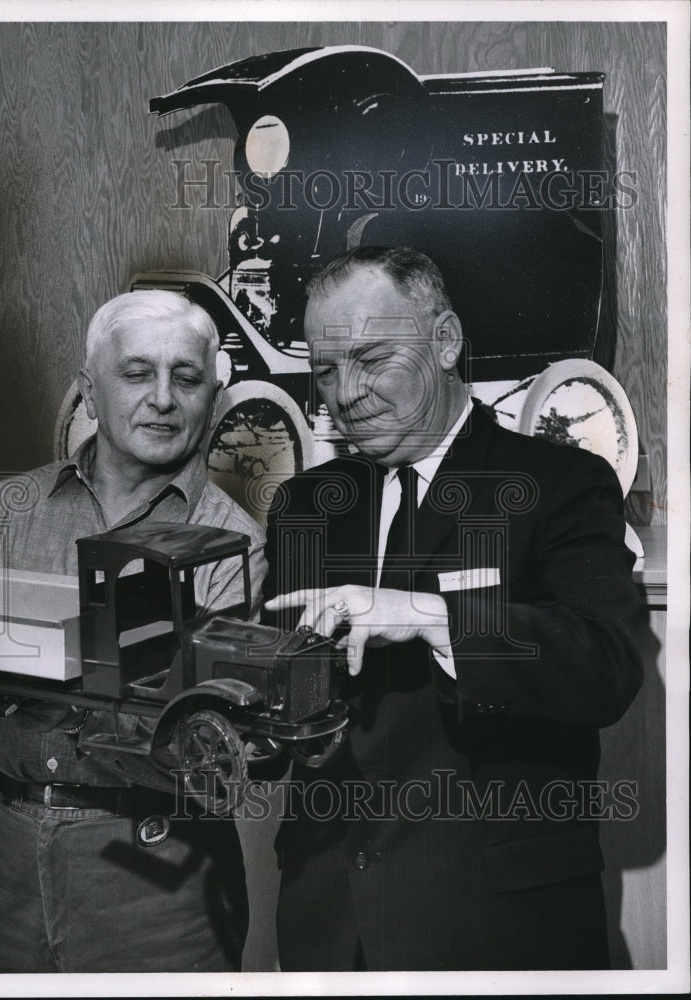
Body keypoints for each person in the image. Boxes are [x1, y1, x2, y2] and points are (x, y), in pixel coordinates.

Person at [263, 246, 643, 971]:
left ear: (444, 341)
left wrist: (429, 615)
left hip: (497, 936)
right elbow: (287, 706)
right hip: (328, 935)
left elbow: (606, 665)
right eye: (323, 369)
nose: (344, 393)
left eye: (371, 358)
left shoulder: (561, 481)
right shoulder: (303, 506)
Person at [0, 290, 266, 973]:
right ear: (89, 390)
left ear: (213, 395)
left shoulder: (235, 541)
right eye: (137, 373)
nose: (163, 399)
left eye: (186, 377)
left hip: (153, 869)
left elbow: (214, 735)